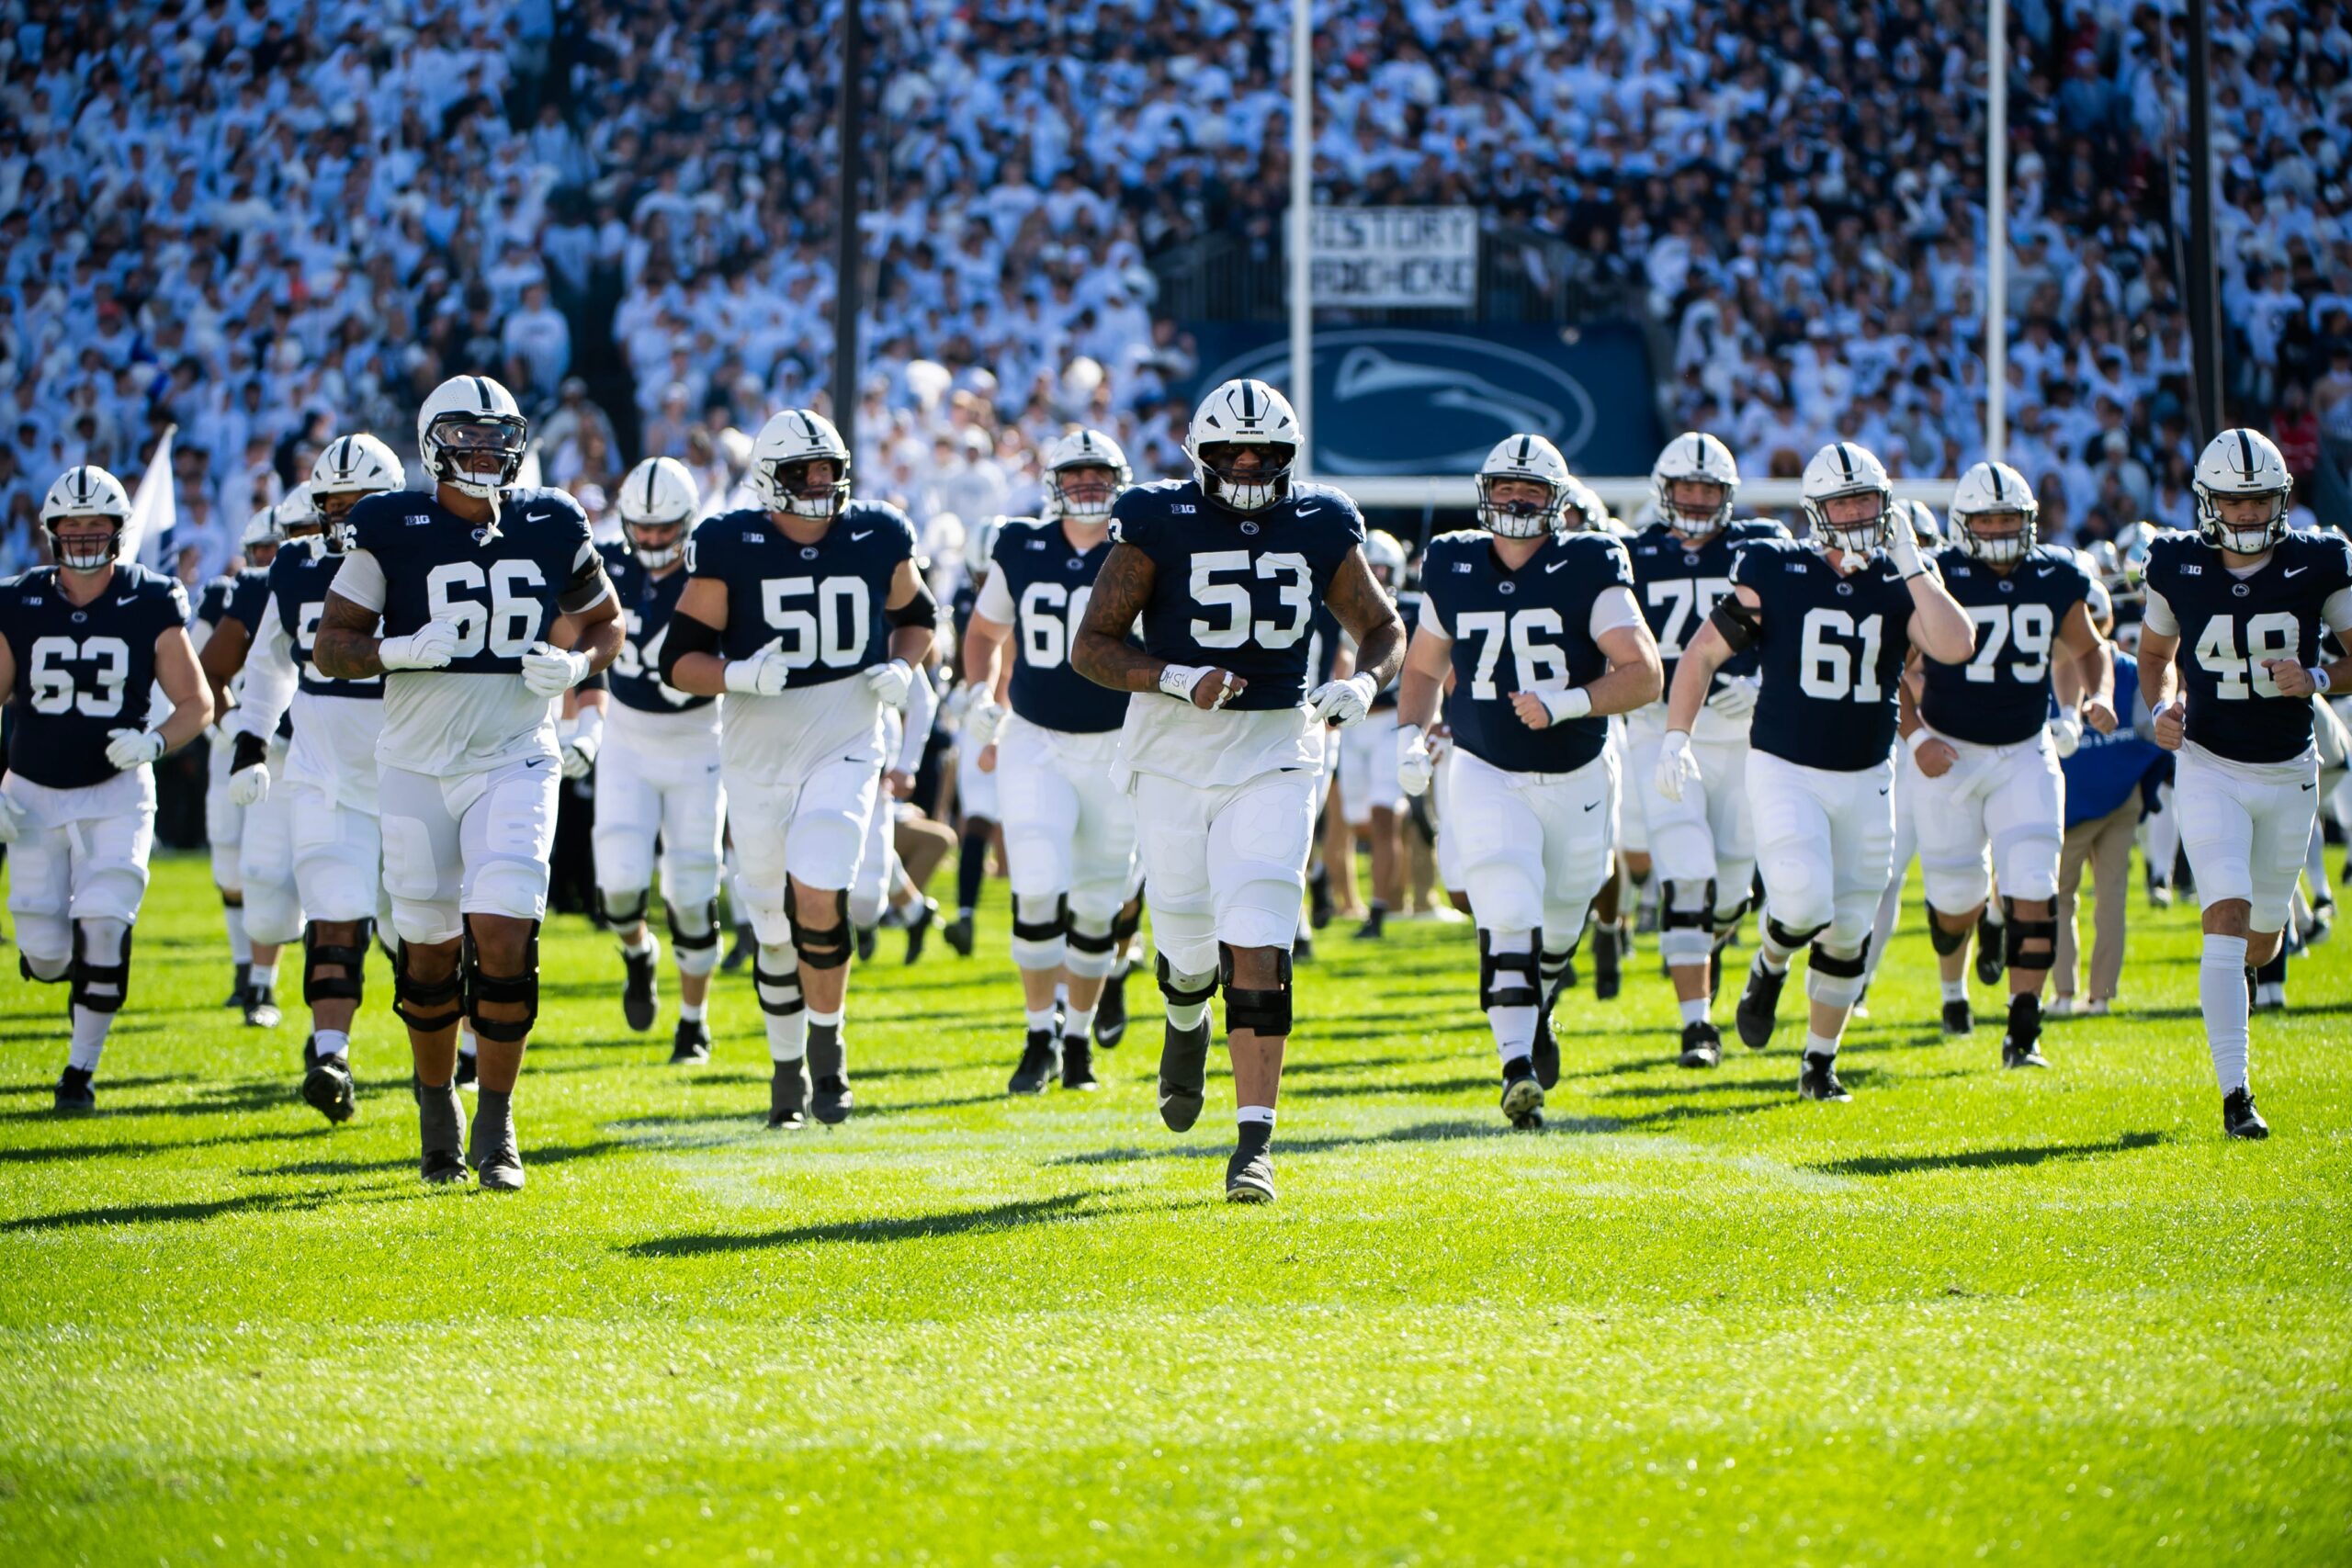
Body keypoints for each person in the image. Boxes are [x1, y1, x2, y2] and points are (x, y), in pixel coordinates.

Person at [1072, 377, 1407, 1203]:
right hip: (1174, 748)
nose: (1250, 464)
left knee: (1259, 926)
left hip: (1276, 745)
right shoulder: (1157, 518)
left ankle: (1254, 1140)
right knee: (1187, 946)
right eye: (1231, 451)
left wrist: (1364, 685)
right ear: (1200, 455)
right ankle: (1184, 1018)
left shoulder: (1323, 521)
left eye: (1266, 452)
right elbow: (1093, 646)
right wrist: (1177, 676)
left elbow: (1385, 628)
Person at [312, 375, 623, 1189]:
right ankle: (434, 1105)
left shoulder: (553, 518)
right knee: (427, 951)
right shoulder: (390, 524)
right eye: (468, 436)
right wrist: (394, 650)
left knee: (506, 927)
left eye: (498, 437)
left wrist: (580, 662)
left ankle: (497, 1119)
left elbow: (607, 620)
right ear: (432, 441)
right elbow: (332, 644)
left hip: (516, 752)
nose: (485, 451)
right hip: (415, 764)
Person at [1660, 441, 1974, 1100]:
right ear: (1816, 510)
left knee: (1852, 923)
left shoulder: (1902, 576)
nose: (1860, 511)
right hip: (1786, 765)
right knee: (1803, 898)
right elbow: (1700, 654)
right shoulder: (1776, 565)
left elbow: (1955, 645)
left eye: (1867, 498)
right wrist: (1676, 738)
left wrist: (1913, 560)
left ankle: (1818, 1062)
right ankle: (1768, 962)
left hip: (1867, 771)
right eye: (1844, 500)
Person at [656, 409, 937, 1131]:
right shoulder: (729, 542)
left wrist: (905, 665)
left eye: (827, 469)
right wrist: (739, 674)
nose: (819, 484)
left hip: (845, 735)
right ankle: (786, 1073)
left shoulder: (877, 532)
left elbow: (920, 616)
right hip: (756, 753)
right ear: (768, 480)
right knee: (773, 924)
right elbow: (677, 661)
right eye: (802, 472)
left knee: (820, 889)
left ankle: (827, 1047)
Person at [1396, 434, 1662, 1126]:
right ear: (1485, 495)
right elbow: (1423, 667)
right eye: (1506, 488)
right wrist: (1409, 733)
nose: (1516, 500)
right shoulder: (1453, 561)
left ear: (1557, 501)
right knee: (1506, 903)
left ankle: (1535, 1009)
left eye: (1533, 490)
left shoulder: (1590, 561)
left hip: (1576, 768)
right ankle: (1515, 1067)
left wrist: (1567, 702)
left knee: (1562, 918)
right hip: (1486, 763)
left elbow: (1643, 672)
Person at [2137, 428, 2352, 1139]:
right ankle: (2237, 1097)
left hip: (2289, 769)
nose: (2251, 515)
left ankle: (2249, 975)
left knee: (2261, 941)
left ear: (2280, 499)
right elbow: (2155, 653)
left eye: (2261, 500)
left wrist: (2320, 676)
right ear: (2208, 501)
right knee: (2223, 917)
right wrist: (2164, 703)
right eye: (2236, 500)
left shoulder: (2319, 560)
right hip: (2210, 762)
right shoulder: (2176, 564)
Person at [0, 465, 211, 1111]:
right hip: (33, 790)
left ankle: (78, 1072)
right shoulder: (18, 598)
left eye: (98, 525)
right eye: (74, 525)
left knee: (105, 923)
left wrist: (153, 742)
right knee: (44, 951)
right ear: (52, 532)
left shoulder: (150, 598)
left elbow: (195, 702)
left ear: (120, 532)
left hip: (118, 789)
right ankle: (59, 968)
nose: (86, 535)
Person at [1902, 461, 2115, 1069]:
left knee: (2036, 889)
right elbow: (1889, 666)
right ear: (1962, 524)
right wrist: (1916, 737)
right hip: (1950, 752)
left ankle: (2024, 1028)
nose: (1998, 529)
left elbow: (2086, 648)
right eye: (1987, 518)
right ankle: (1980, 917)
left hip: (2025, 749)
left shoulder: (2053, 573)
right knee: (1953, 909)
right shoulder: (1938, 575)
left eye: (2009, 518)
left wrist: (2089, 700)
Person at [224, 434, 407, 1122]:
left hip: (414, 760)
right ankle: (331, 1054)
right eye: (335, 502)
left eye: (361, 502)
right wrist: (249, 740)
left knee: (420, 923)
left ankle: (466, 1047)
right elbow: (270, 660)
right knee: (334, 914)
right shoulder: (298, 562)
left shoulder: (425, 554)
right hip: (325, 762)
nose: (347, 514)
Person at [959, 428, 1145, 1094]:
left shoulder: (1144, 545)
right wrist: (978, 690)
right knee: (1035, 881)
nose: (1089, 485)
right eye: (1077, 474)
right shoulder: (1021, 544)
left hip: (1118, 744)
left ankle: (1076, 1041)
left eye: (1100, 474)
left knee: (1097, 905)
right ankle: (1038, 1031)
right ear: (1054, 483)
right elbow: (984, 630)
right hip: (1035, 735)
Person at [1621, 432, 1788, 1067]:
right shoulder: (1630, 553)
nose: (1694, 498)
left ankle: (1708, 946)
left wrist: (1763, 681)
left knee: (1731, 888)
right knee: (1686, 871)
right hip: (1661, 730)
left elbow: (1795, 627)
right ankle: (1698, 1026)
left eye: (1707, 488)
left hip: (1744, 734)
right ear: (1664, 492)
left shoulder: (1762, 549)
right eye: (1685, 487)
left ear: (1728, 495)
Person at [580, 456, 727, 1063]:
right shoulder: (605, 561)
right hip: (628, 734)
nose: (654, 539)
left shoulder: (715, 564)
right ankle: (639, 952)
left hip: (699, 737)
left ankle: (694, 1020)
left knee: (693, 885)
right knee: (616, 885)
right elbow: (575, 640)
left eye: (666, 528)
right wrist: (582, 720)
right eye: (644, 528)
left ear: (688, 522)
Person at [199, 501, 300, 1032]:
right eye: (261, 549)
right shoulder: (245, 591)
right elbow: (205, 670)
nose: (271, 557)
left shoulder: (371, 572)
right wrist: (235, 730)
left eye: (278, 544)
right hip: (267, 749)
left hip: (347, 750)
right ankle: (257, 982)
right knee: (251, 869)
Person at [1335, 530, 1415, 940]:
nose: (1378, 575)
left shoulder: (1413, 609)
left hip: (1391, 723)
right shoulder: (1343, 603)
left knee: (1384, 818)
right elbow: (1339, 659)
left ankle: (1380, 910)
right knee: (1358, 822)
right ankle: (1356, 899)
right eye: (1373, 568)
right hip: (1354, 724)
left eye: (1384, 568)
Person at [943, 516, 1004, 961]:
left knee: (1026, 823)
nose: (986, 585)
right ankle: (964, 914)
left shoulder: (1026, 588)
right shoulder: (965, 596)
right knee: (978, 815)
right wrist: (962, 692)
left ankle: (1041, 918)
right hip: (979, 707)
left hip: (1020, 711)